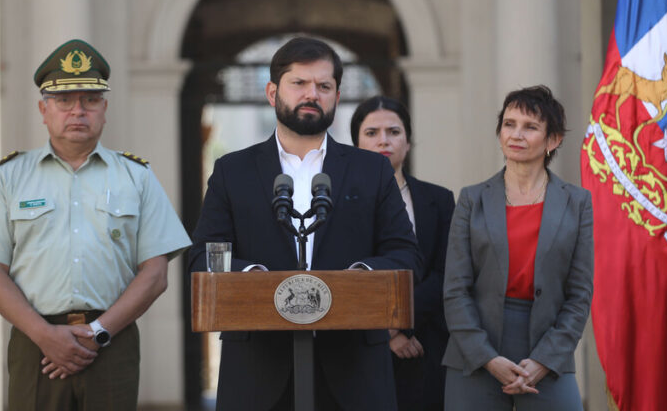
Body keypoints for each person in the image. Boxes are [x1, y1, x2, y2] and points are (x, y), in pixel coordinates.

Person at [0, 39, 191, 411]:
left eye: (90, 100)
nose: (78, 110)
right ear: (43, 109)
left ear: (105, 108)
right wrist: (45, 336)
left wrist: (98, 333)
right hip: (35, 346)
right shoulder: (9, 178)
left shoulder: (137, 177)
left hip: (112, 342)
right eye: (65, 100)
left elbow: (156, 274)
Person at [188, 36, 423, 411]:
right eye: (299, 83)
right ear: (271, 92)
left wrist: (355, 280)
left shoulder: (371, 170)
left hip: (353, 372)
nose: (312, 94)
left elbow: (405, 255)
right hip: (258, 372)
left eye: (324, 86)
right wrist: (256, 279)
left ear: (337, 95)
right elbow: (202, 256)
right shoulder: (233, 171)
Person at [442, 85, 593, 410]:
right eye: (509, 124)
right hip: (475, 351)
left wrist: (544, 360)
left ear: (553, 140)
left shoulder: (577, 203)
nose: (516, 134)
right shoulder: (472, 199)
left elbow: (579, 294)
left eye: (530, 127)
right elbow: (455, 289)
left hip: (548, 349)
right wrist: (487, 358)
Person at [350, 96, 455, 410]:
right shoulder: (338, 203)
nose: (383, 140)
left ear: (408, 142)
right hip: (359, 350)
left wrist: (401, 325)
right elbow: (343, 274)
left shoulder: (439, 200)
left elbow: (445, 272)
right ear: (355, 144)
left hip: (424, 345)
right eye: (371, 133)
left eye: (393, 132)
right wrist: (385, 333)